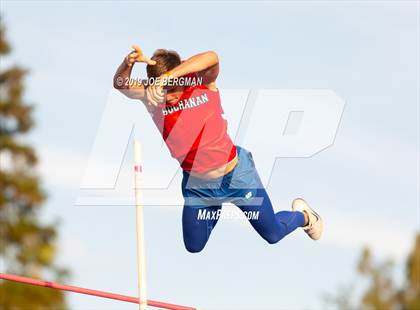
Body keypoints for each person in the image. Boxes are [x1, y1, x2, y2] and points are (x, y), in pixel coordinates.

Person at [113, 45, 323, 253]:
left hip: (237, 176)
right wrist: (127, 63)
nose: (168, 97)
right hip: (199, 186)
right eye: (162, 91)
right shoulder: (151, 97)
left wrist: (167, 78)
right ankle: (214, 206)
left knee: (273, 234)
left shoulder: (201, 83)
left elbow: (212, 57)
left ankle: (304, 216)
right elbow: (120, 84)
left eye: (172, 89)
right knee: (194, 246)